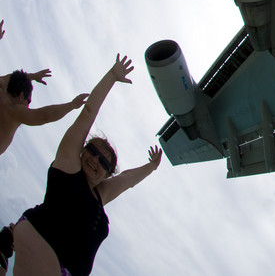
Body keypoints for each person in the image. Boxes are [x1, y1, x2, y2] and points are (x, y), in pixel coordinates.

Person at [6, 54, 162, 276]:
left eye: (104, 161)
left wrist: (151, 167)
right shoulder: (68, 165)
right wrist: (111, 76)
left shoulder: (101, 195)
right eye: (93, 151)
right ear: (82, 150)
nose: (95, 160)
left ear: (108, 173)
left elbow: (127, 180)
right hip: (40, 240)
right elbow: (88, 113)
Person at [1, 68, 88, 155]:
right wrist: (72, 105)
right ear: (22, 96)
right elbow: (45, 115)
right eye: (28, 101)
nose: (27, 106)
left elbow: (8, 79)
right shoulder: (14, 111)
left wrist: (32, 76)